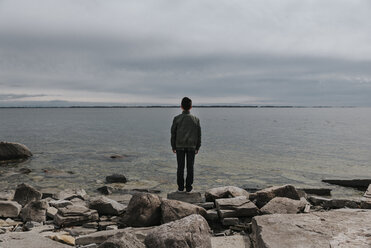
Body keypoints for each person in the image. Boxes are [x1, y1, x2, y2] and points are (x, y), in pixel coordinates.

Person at [171, 97, 201, 192]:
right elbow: (199, 135)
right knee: (190, 167)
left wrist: (173, 146)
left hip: (179, 146)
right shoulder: (196, 119)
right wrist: (198, 146)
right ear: (191, 107)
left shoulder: (176, 118)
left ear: (181, 107)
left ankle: (180, 188)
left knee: (180, 167)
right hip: (192, 147)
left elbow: (173, 134)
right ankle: (188, 188)